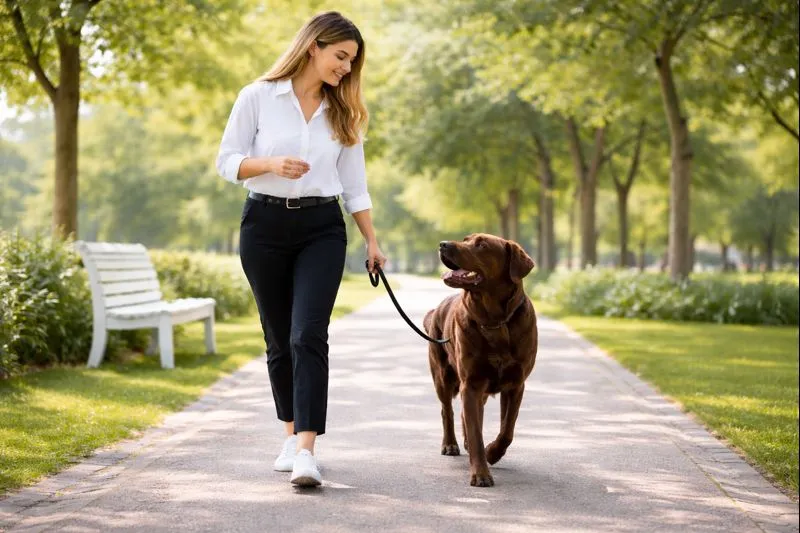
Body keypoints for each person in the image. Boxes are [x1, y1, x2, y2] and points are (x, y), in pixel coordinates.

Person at [215, 11, 386, 487]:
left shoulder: (344, 113)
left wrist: (371, 240)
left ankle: (307, 449)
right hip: (263, 224)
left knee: (307, 333)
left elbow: (355, 185)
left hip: (322, 229)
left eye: (352, 61)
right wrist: (269, 163)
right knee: (277, 336)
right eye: (341, 56)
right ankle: (290, 434)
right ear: (314, 46)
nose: (347, 69)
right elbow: (226, 161)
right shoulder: (257, 96)